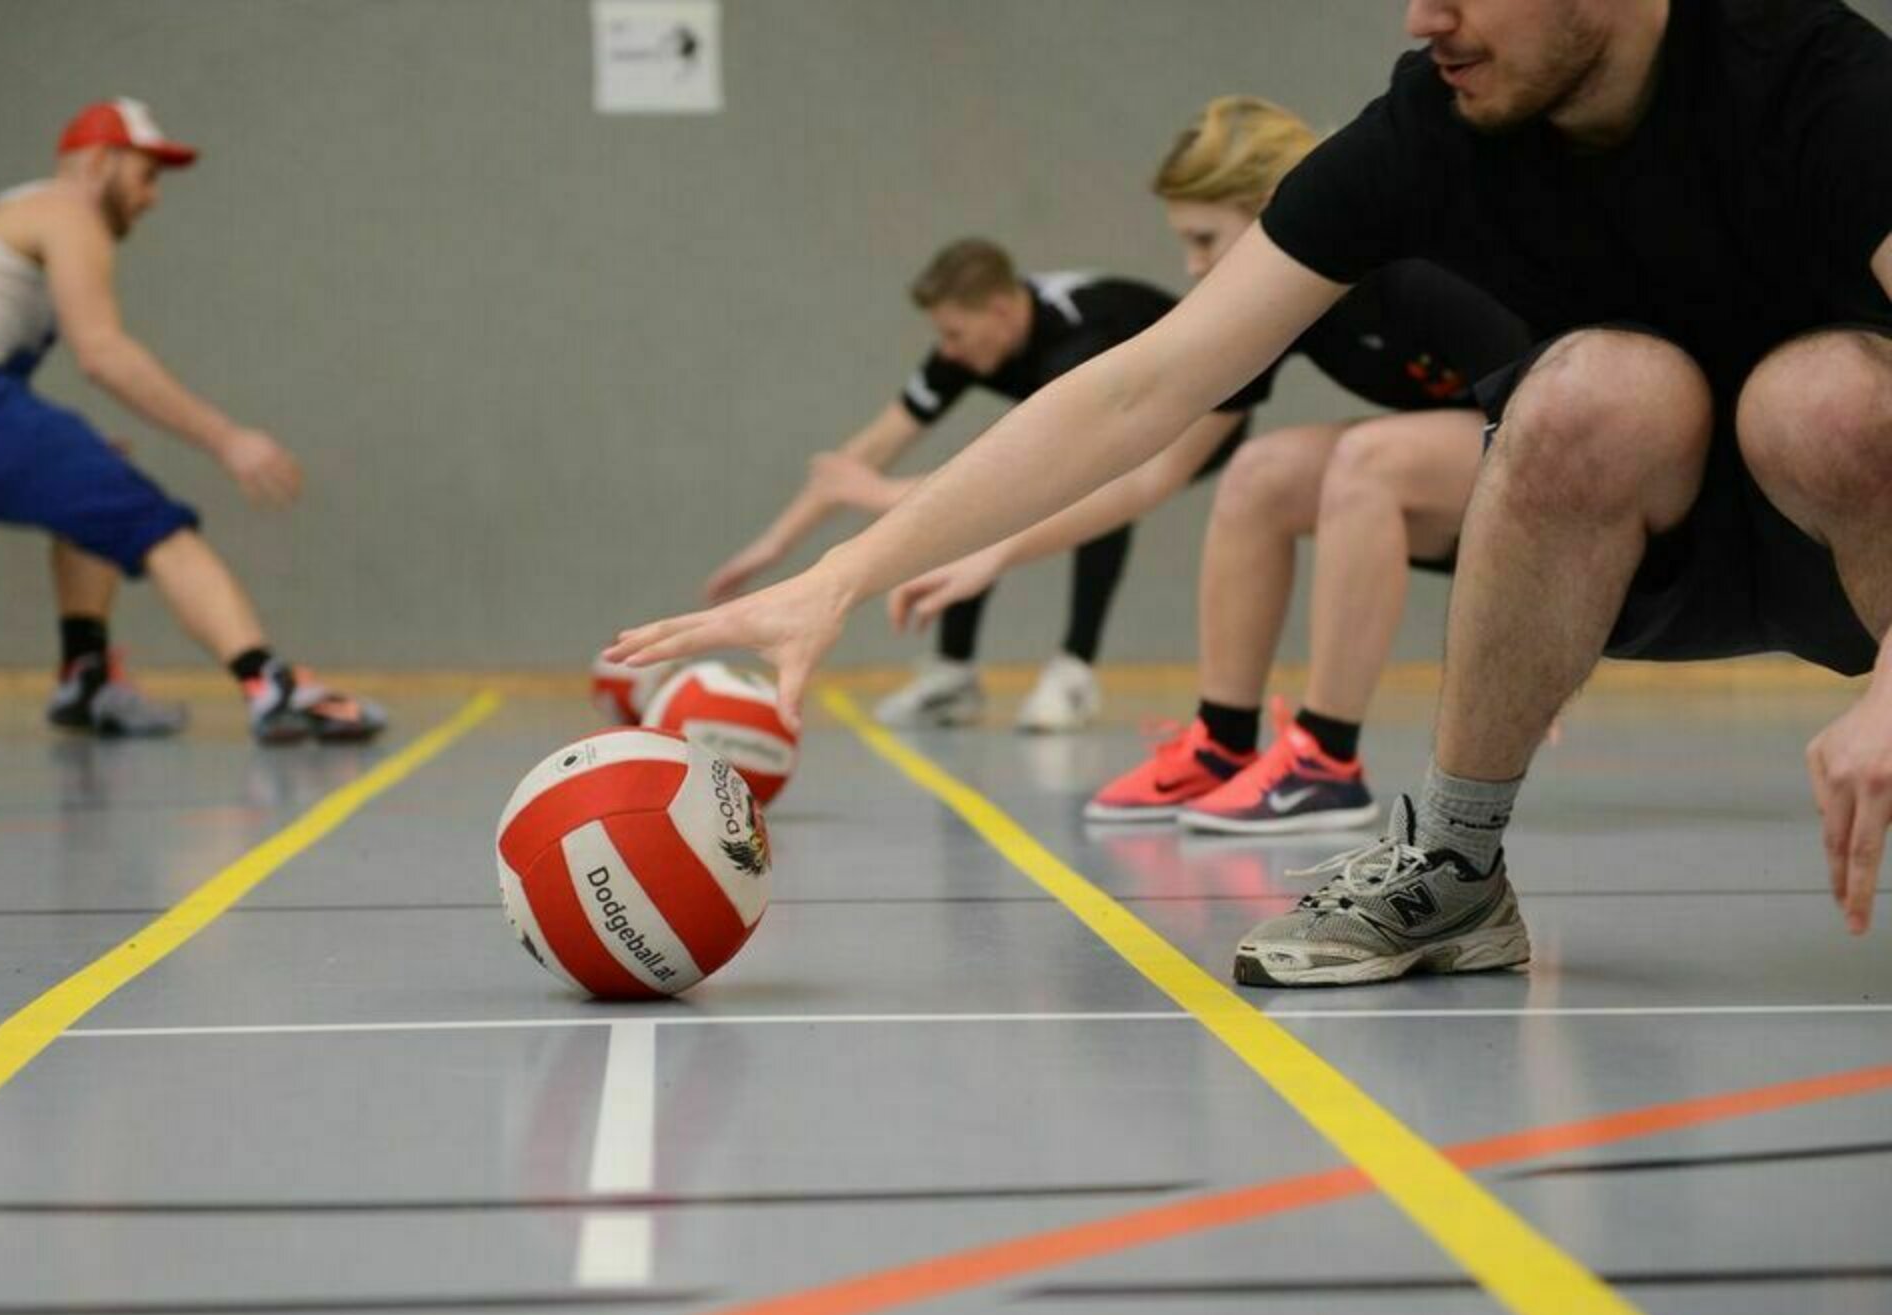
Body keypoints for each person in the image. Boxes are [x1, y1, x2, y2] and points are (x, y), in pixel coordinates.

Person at [611, 0, 1892, 986]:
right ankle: (1451, 863)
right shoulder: (1431, 126)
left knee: (1822, 393)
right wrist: (838, 576)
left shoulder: (1810, 75)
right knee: (1587, 390)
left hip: (1853, 528)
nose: (1419, 17)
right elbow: (1141, 389)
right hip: (1633, 549)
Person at [887, 96, 1531, 834]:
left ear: (1273, 208)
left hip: (1567, 465)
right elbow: (1151, 472)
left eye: (1204, 240)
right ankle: (1221, 746)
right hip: (1468, 462)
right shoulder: (1285, 302)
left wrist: (1515, 634)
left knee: (1368, 459)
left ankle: (1326, 763)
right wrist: (996, 552)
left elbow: (1540, 425)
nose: (1193, 270)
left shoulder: (1414, 266)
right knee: (1258, 472)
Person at [0, 99, 385, 744]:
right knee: (154, 521)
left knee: (97, 481)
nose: (152, 198)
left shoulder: (5, 218)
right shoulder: (67, 210)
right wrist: (229, 439)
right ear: (100, 163)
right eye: (145, 175)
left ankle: (87, 675)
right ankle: (270, 684)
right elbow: (102, 353)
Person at [702, 238, 1247, 732]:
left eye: (954, 333)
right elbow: (865, 453)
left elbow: (1046, 473)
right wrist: (778, 544)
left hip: (1207, 414)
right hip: (1111, 422)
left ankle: (1074, 669)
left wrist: (877, 494)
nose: (948, 349)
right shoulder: (972, 343)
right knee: (985, 480)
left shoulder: (1077, 342)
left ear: (1002, 311)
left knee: (1090, 491)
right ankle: (953, 675)